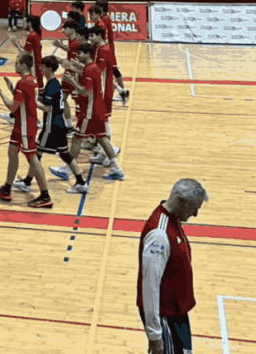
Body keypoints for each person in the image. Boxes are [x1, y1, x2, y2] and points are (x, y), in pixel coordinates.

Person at [137, 179, 208, 354]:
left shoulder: (172, 221)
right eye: (194, 208)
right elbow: (150, 286)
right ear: (182, 202)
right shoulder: (159, 234)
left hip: (176, 312)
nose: (195, 214)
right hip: (165, 316)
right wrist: (155, 335)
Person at [13, 55, 88, 194]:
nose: (40, 69)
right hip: (59, 124)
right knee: (64, 154)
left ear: (48, 69)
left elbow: (47, 108)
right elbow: (46, 101)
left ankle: (27, 183)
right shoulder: (53, 83)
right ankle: (81, 182)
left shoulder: (52, 85)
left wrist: (31, 101)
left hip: (51, 126)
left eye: (42, 67)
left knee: (36, 154)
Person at [0, 53, 53, 208]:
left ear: (24, 65)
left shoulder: (23, 83)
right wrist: (12, 88)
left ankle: (45, 195)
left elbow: (12, 107)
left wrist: (1, 93)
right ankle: (6, 188)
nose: (15, 65)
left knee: (32, 158)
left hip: (25, 126)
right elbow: (24, 100)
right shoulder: (31, 80)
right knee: (12, 152)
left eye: (17, 63)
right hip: (21, 124)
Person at [60, 42, 124, 192]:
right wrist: (72, 66)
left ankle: (67, 169)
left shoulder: (90, 69)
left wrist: (71, 81)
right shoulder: (92, 67)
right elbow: (84, 72)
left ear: (87, 54)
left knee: (77, 139)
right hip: (97, 109)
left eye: (80, 54)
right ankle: (116, 168)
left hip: (89, 111)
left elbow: (84, 91)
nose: (78, 56)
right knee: (102, 138)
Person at [87, 24, 119, 166]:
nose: (90, 38)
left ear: (99, 36)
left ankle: (109, 152)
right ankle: (103, 152)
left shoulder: (104, 51)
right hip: (102, 89)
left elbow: (100, 72)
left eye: (92, 36)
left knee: (104, 122)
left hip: (104, 92)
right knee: (102, 122)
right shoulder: (100, 49)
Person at [92, 0, 129, 103]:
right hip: (109, 48)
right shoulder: (105, 18)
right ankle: (121, 91)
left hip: (107, 49)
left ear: (101, 8)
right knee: (113, 71)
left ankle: (122, 91)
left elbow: (102, 37)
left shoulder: (103, 20)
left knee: (108, 72)